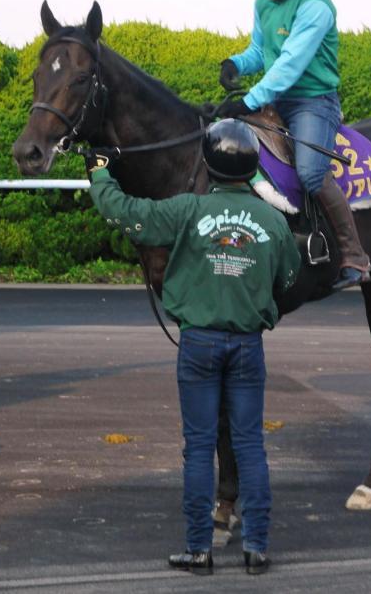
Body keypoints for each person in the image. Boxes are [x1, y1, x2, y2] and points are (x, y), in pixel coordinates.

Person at [84, 119, 301, 576]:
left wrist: (101, 170)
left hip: (198, 344)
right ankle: (256, 547)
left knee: (199, 447)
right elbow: (288, 279)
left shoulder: (186, 210)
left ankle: (198, 550)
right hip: (247, 346)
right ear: (254, 166)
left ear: (207, 163)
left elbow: (122, 211)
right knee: (250, 446)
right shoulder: (274, 222)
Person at [216, 0, 371, 291]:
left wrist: (250, 101)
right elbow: (262, 51)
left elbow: (289, 65)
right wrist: (236, 63)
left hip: (313, 102)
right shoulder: (263, 2)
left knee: (310, 173)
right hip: (275, 101)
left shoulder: (315, 5)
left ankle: (354, 257)